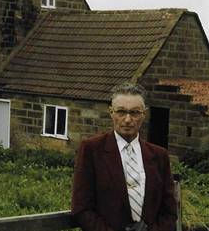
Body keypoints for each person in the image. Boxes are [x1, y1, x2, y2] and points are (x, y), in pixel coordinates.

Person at [71, 82, 177, 231]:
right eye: (121, 112)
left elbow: (170, 211)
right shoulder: (91, 149)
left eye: (134, 112)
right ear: (111, 112)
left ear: (144, 114)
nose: (127, 119)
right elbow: (81, 208)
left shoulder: (159, 156)